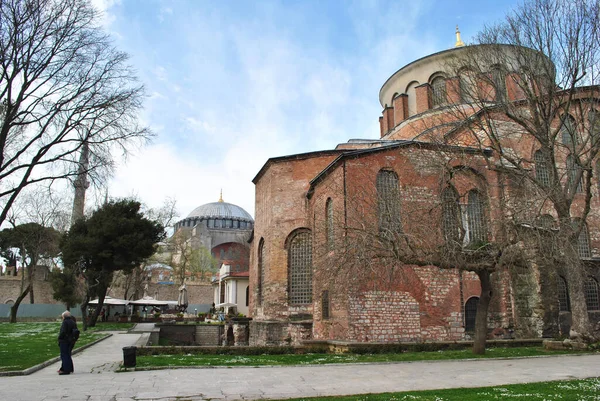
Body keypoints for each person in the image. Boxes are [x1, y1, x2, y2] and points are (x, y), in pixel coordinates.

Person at [57, 310, 77, 375]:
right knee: (68, 355)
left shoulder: (65, 322)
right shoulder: (73, 322)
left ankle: (66, 370)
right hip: (71, 340)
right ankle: (69, 368)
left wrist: (59, 338)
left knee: (64, 355)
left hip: (64, 341)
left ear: (63, 317)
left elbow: (63, 332)